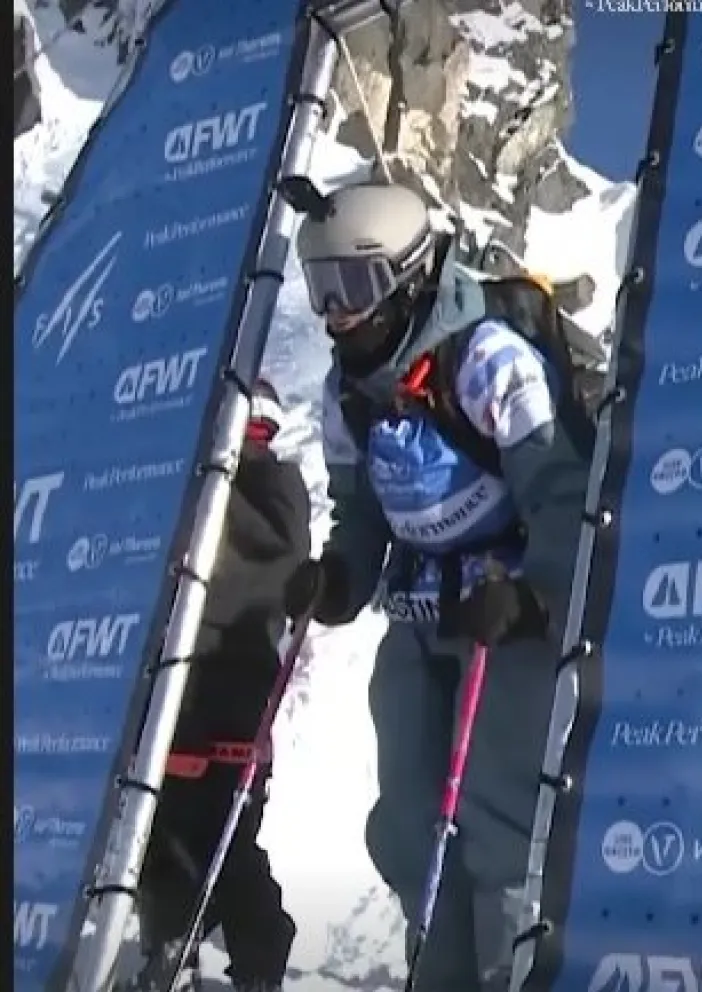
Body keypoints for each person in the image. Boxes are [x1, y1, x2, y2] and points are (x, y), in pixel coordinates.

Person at [283, 180, 590, 992]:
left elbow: (561, 493)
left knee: (496, 821)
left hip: (505, 616)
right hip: (419, 613)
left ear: (409, 277)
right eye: (321, 289)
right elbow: (360, 514)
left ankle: (510, 975)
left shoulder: (488, 360)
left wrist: (534, 596)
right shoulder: (348, 394)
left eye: (353, 286)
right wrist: (338, 578)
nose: (336, 314)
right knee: (406, 825)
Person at [127, 378, 311, 992]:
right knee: (188, 831)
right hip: (211, 689)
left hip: (215, 687)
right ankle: (188, 950)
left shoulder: (247, 492)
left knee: (202, 833)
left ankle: (230, 955)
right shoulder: (260, 492)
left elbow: (251, 578)